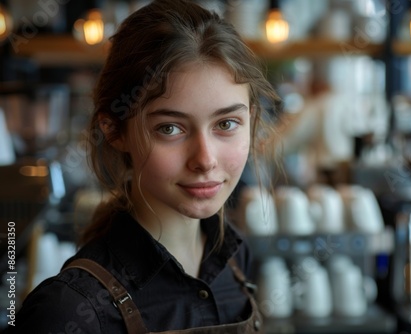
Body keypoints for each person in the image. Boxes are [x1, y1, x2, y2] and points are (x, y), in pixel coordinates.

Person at [10, 0, 281, 332]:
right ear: (114, 130)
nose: (205, 160)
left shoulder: (239, 262)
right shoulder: (68, 312)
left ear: (251, 120)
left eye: (226, 124)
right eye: (170, 128)